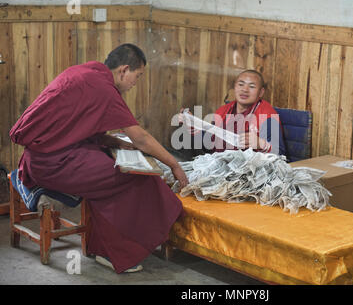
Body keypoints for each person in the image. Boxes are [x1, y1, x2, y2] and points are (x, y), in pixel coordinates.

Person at [9, 43, 188, 273]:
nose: (136, 83)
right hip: (53, 164)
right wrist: (174, 165)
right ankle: (114, 252)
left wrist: (118, 143)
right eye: (138, 75)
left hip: (42, 157)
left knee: (112, 165)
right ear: (123, 70)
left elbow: (76, 127)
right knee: (135, 177)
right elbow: (141, 138)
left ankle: (104, 245)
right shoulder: (103, 88)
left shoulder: (84, 72)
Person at [181, 69, 286, 155]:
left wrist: (261, 144)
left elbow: (280, 154)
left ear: (261, 92)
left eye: (252, 86)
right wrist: (194, 126)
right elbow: (209, 145)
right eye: (241, 84)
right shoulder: (223, 111)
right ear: (235, 87)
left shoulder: (267, 115)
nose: (245, 90)